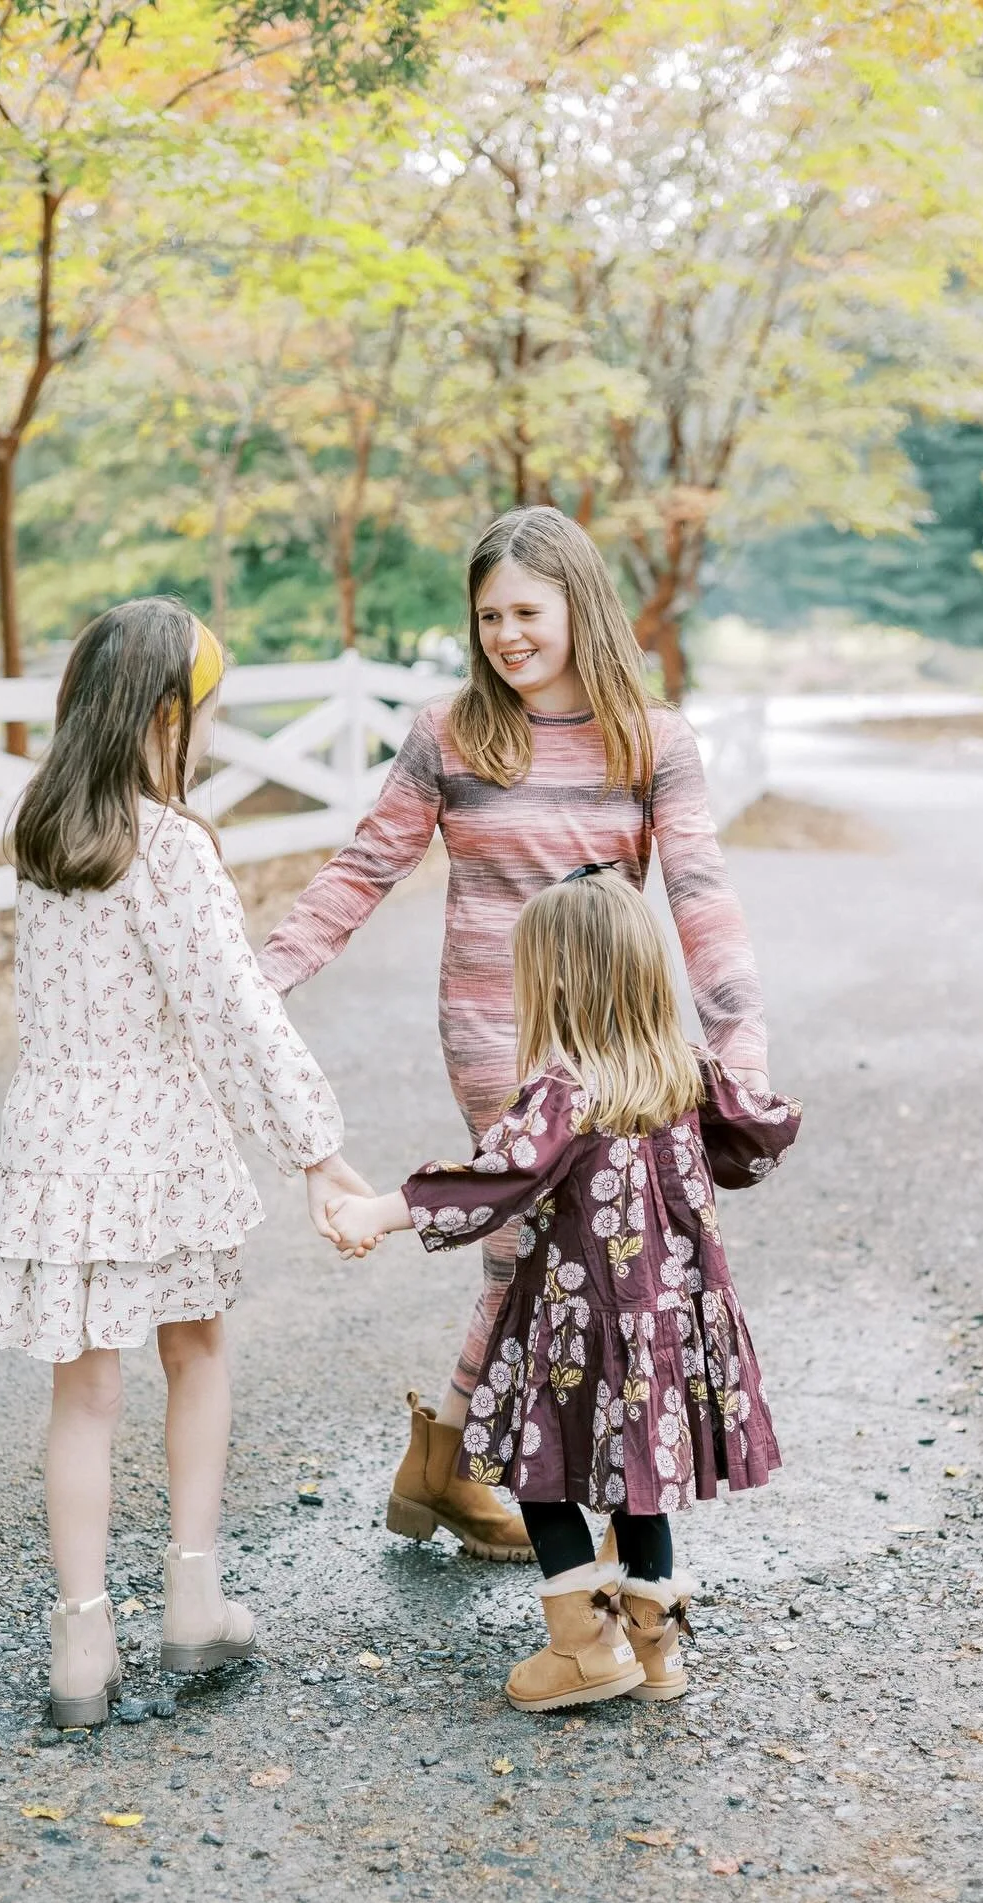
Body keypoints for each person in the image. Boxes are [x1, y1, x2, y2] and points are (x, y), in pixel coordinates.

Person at [260, 505, 772, 1565]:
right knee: (530, 1256)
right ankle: (534, 1523)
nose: (506, 635)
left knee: (552, 1264)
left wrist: (741, 1048)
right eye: (488, 614)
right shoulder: (452, 733)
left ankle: (450, 1464)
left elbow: (702, 898)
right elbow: (365, 867)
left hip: (621, 1042)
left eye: (527, 610)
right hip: (498, 1032)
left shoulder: (653, 740)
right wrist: (262, 982)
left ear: (579, 604)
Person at [0, 597, 367, 1728]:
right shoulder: (168, 846)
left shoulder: (44, 833)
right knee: (198, 1352)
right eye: (205, 712)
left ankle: (83, 1644)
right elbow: (231, 1010)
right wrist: (315, 1154)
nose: (209, 733)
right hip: (160, 1141)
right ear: (164, 713)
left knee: (81, 1395)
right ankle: (193, 1596)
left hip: (54, 1138)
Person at [326, 869, 801, 1712]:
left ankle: (584, 1650)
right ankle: (657, 1657)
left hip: (578, 1330)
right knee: (641, 1482)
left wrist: (375, 1210)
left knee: (540, 1475)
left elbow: (491, 1181)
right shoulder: (685, 1075)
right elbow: (758, 1132)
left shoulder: (562, 1093)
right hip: (666, 1330)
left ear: (558, 982)